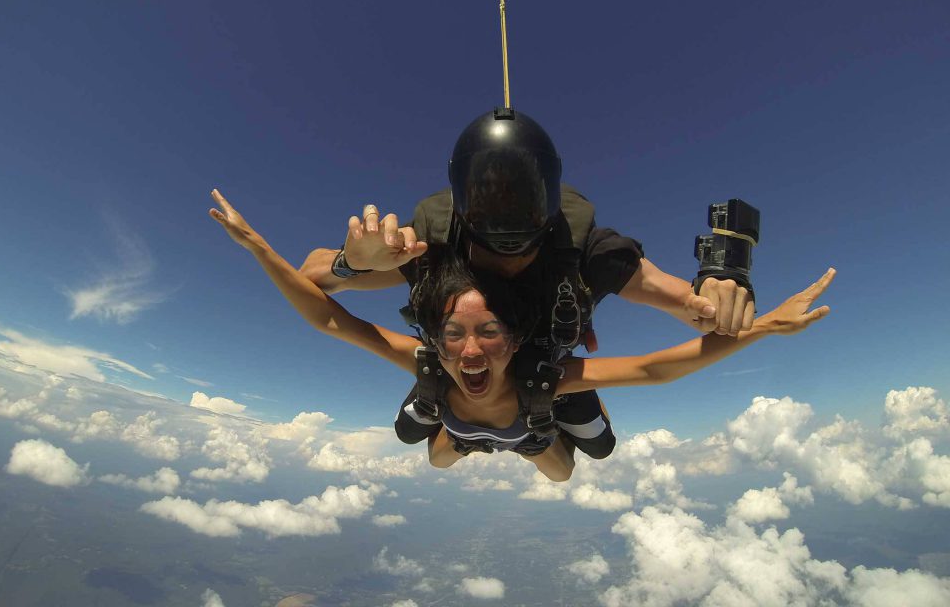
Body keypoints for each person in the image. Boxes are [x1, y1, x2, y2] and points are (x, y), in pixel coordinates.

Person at [209, 188, 835, 481]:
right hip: (469, 425)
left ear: (514, 340)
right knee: (434, 450)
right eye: (453, 334)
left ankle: (533, 436)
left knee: (566, 467)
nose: (470, 349)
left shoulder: (544, 375)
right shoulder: (431, 365)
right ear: (437, 336)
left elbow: (656, 368)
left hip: (534, 417)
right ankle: (486, 439)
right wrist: (258, 245)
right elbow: (326, 313)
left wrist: (768, 324)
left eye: (487, 332)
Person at [297, 109, 755, 460]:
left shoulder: (587, 253)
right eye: (489, 197)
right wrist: (351, 260)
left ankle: (524, 422)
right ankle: (474, 431)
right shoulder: (426, 249)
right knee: (410, 433)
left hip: (547, 373)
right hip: (463, 366)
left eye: (520, 197)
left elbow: (689, 304)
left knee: (599, 446)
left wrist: (719, 285)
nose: (506, 217)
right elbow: (312, 278)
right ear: (463, 203)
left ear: (549, 196)